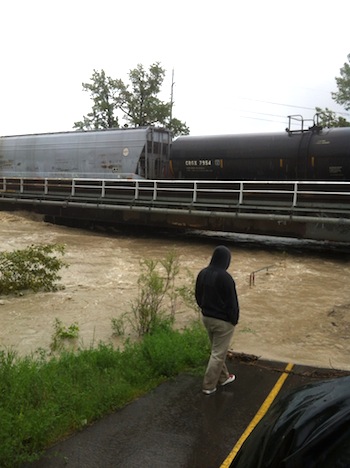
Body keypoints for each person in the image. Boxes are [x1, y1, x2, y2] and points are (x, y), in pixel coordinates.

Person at [195, 245, 239, 395]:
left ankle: (224, 377)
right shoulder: (226, 278)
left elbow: (198, 296)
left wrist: (204, 308)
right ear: (226, 260)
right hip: (223, 322)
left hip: (207, 318)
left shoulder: (203, 273)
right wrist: (233, 320)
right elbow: (232, 303)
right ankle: (208, 386)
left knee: (217, 350)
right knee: (218, 353)